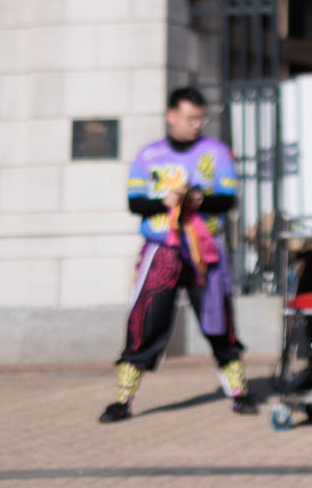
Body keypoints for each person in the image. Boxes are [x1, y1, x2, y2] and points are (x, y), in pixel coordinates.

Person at [100, 87, 254, 422]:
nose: (196, 124)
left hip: (204, 252)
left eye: (201, 118)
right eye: (190, 117)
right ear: (172, 116)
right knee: (146, 321)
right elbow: (135, 203)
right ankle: (122, 400)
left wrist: (199, 200)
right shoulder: (148, 155)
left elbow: (227, 199)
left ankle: (240, 392)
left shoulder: (216, 152)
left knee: (218, 320)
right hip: (162, 250)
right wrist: (164, 202)